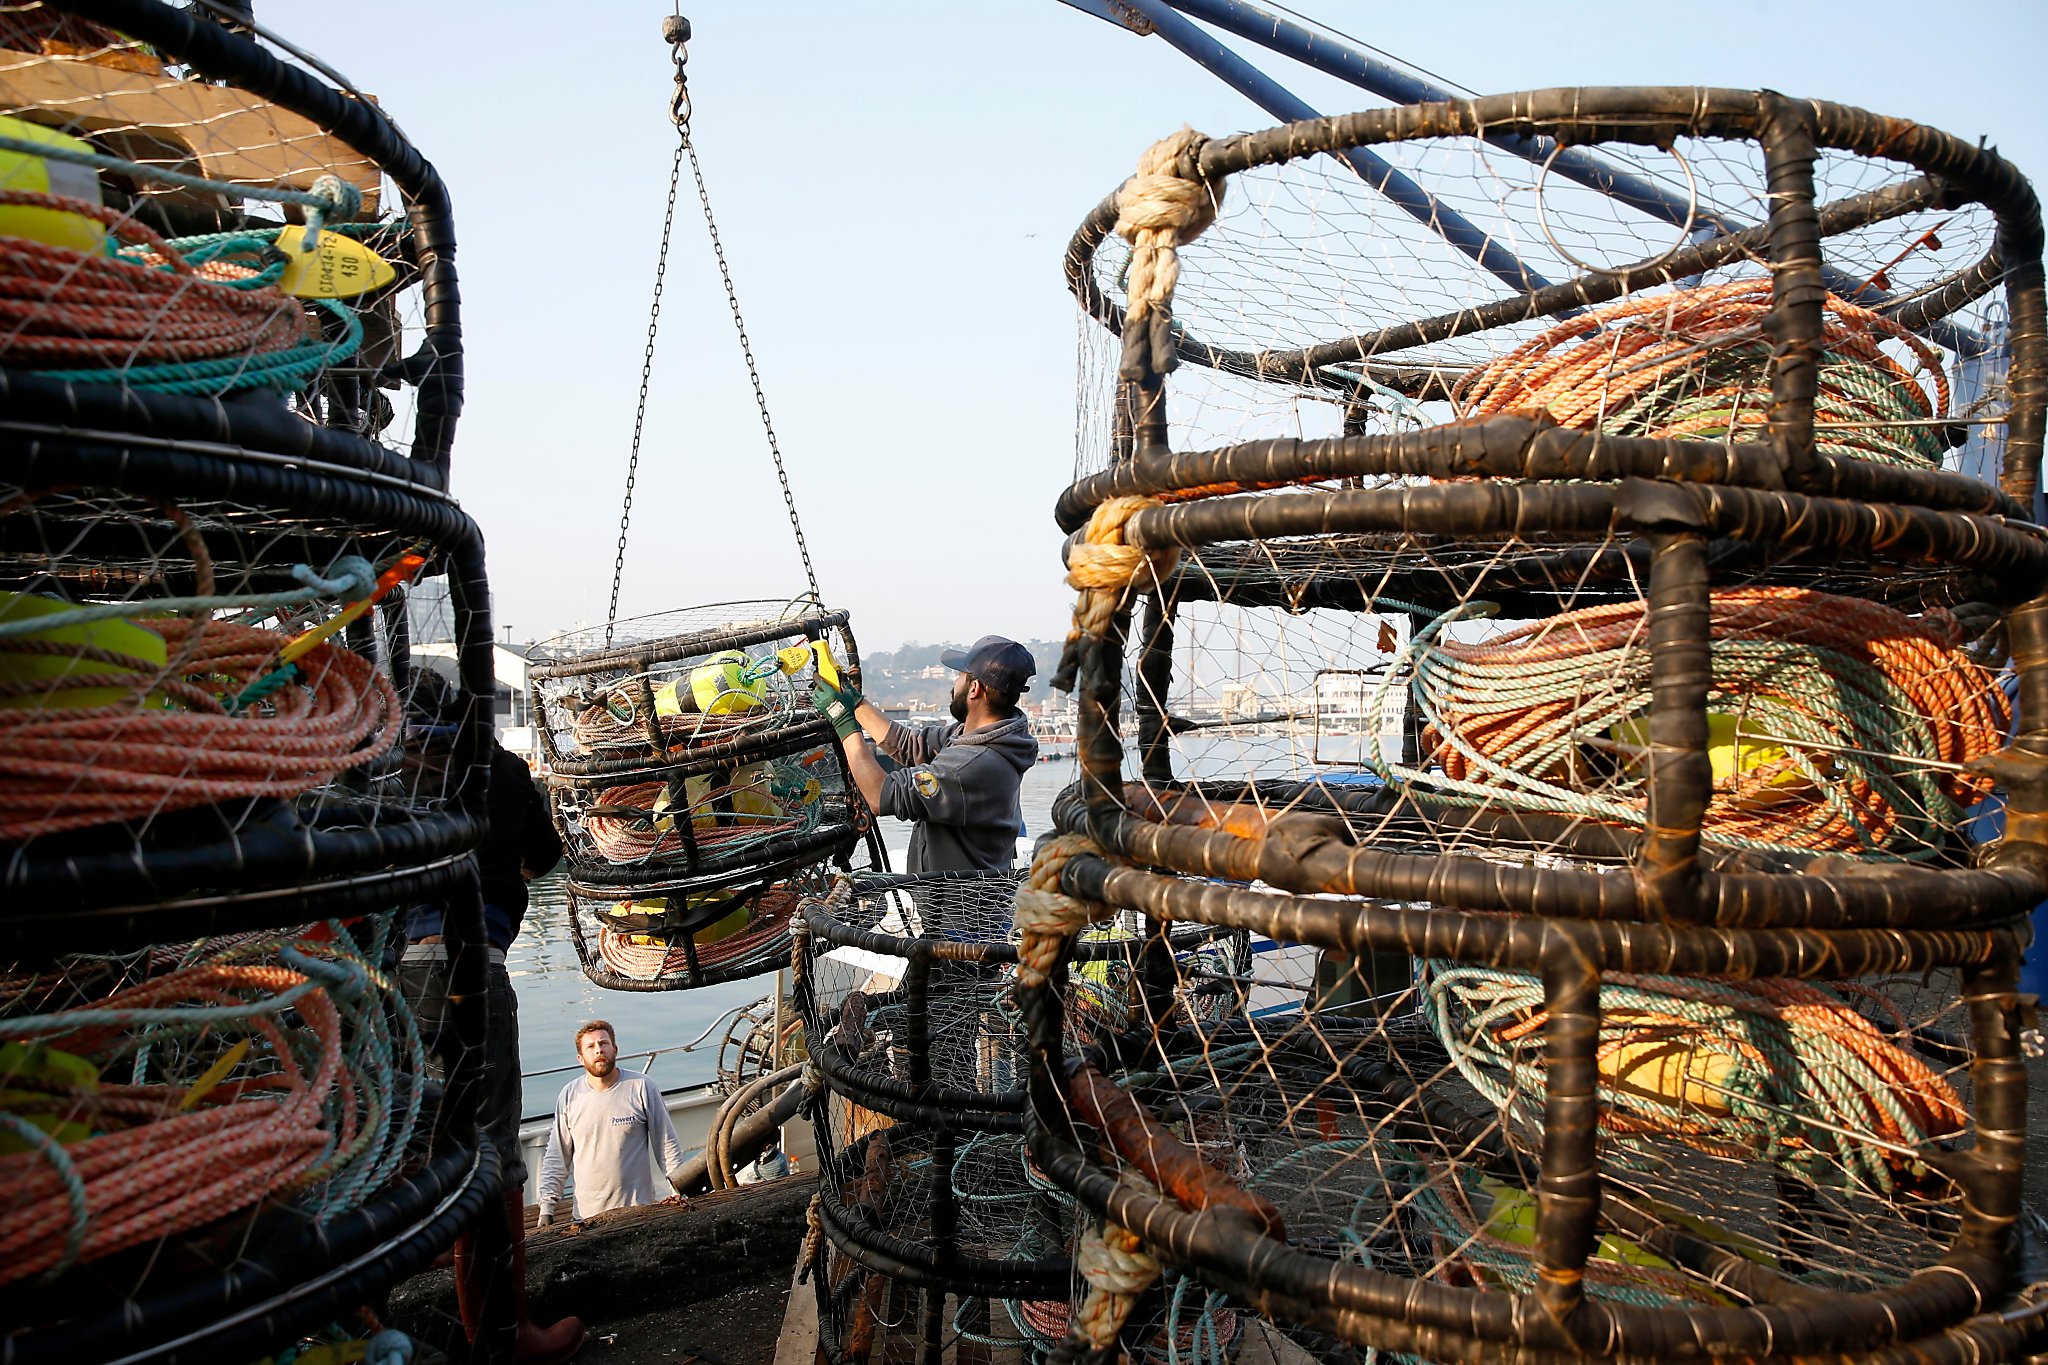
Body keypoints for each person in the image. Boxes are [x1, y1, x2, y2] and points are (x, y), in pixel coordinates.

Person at [397, 670, 583, 1364]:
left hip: (391, 980)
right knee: (493, 1154)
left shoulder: (380, 774)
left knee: (398, 1146)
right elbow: (545, 856)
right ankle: (505, 1335)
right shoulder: (498, 768)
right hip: (475, 968)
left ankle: (370, 1326)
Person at [812, 635, 1039, 873]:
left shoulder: (969, 766)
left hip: (961, 908)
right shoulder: (979, 735)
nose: (955, 684)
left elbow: (880, 795)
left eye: (960, 676)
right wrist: (855, 702)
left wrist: (843, 721)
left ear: (974, 689)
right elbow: (910, 745)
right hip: (957, 902)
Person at [535, 1021, 691, 1223]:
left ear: (615, 1050)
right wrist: (547, 1208)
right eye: (590, 1047)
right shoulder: (569, 1095)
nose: (598, 1050)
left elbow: (667, 1146)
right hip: (586, 1217)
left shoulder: (641, 1087)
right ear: (580, 1058)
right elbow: (557, 1156)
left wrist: (681, 1191)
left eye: (603, 1043)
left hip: (638, 1212)